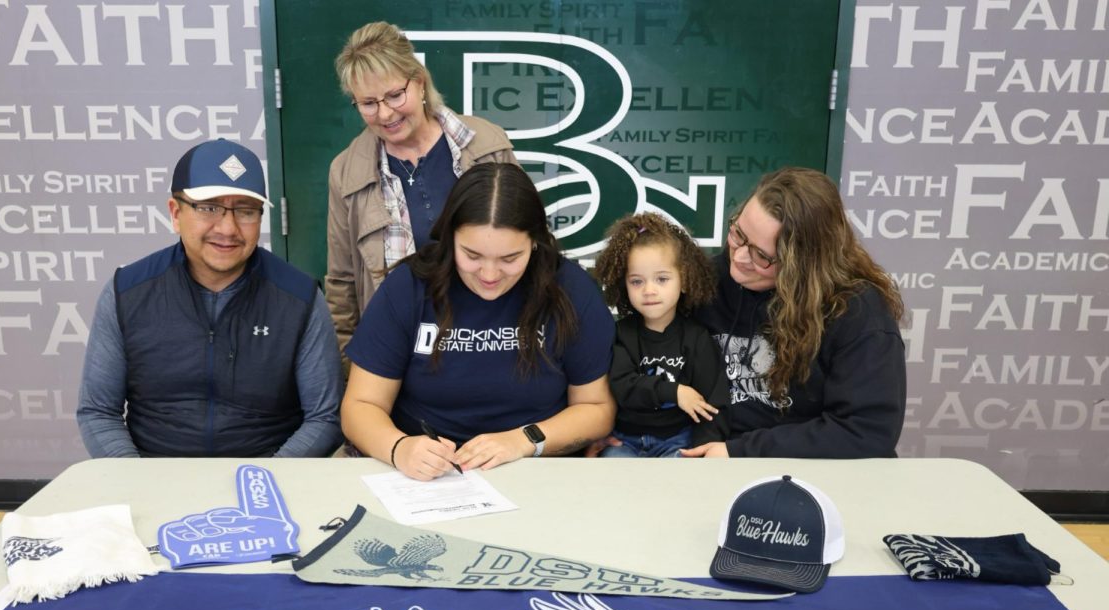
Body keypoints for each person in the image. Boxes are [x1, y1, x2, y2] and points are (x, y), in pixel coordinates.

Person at [341, 163, 616, 481]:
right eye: (472, 256)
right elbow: (360, 404)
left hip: (538, 469)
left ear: (535, 243)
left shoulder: (570, 290)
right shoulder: (410, 287)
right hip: (427, 475)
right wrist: (399, 448)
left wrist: (523, 440)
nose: (489, 275)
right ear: (449, 238)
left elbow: (597, 408)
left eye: (510, 259)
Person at [77, 138, 343, 458]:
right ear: (175, 213)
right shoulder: (127, 292)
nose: (228, 228)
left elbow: (325, 417)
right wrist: (136, 481)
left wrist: (263, 483)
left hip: (271, 478)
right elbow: (98, 412)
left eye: (245, 211)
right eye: (210, 208)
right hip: (154, 474)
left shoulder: (299, 298)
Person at [326, 22, 518, 364]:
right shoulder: (346, 173)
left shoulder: (488, 145)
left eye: (395, 95)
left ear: (419, 81)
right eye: (368, 103)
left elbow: (532, 244)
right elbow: (342, 284)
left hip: (492, 342)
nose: (385, 114)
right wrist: (351, 368)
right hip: (399, 355)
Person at [682, 166, 906, 458]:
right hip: (709, 459)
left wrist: (739, 452)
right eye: (738, 234)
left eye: (762, 256)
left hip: (810, 472)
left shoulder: (857, 311)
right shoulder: (701, 283)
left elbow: (867, 430)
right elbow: (645, 356)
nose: (738, 256)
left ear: (804, 266)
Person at [594, 212, 730, 458]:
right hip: (625, 441)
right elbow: (623, 385)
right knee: (611, 478)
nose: (649, 290)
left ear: (684, 280)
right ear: (623, 285)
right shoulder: (622, 333)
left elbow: (712, 403)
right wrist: (674, 392)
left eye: (662, 279)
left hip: (678, 441)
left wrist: (704, 448)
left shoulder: (697, 338)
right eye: (637, 281)